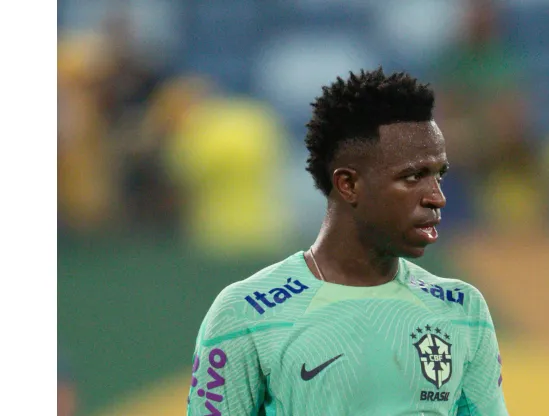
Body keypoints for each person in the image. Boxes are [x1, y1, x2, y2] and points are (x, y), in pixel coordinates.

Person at [186, 68, 508, 415]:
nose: (437, 197)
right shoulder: (247, 312)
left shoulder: (462, 310)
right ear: (348, 185)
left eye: (438, 175)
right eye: (413, 176)